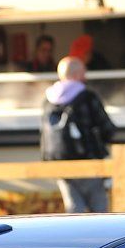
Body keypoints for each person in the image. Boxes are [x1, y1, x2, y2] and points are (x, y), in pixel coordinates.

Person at [41, 56, 115, 213]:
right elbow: (107, 129)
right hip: (89, 162)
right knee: (100, 212)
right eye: (83, 72)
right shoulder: (87, 97)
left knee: (74, 211)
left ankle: (76, 239)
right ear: (76, 74)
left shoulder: (48, 100)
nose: (85, 77)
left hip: (60, 164)